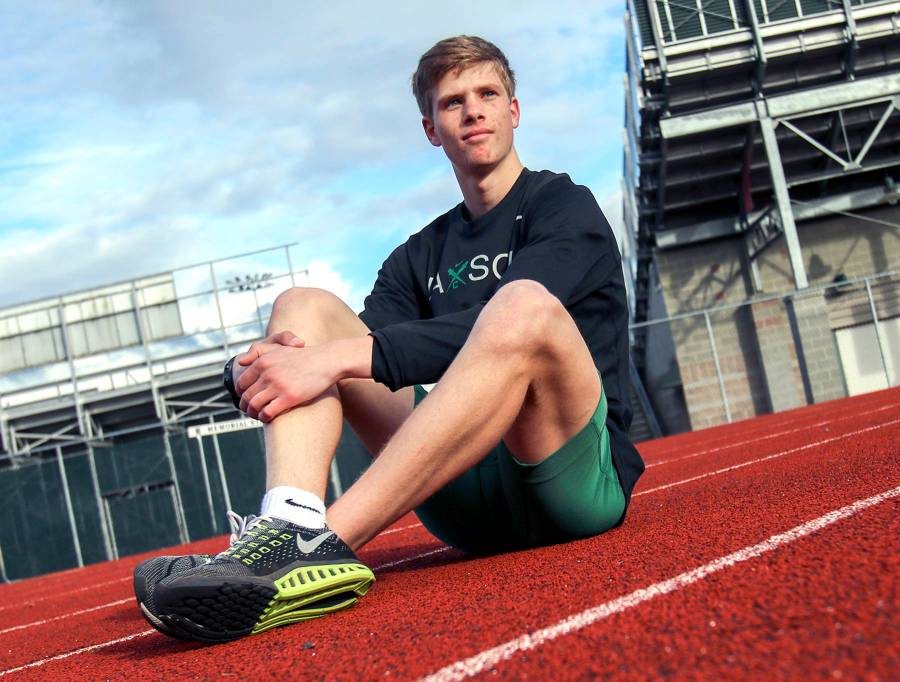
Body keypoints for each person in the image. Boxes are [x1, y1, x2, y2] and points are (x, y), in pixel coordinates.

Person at [133, 35, 644, 643]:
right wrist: (252, 369)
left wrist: (331, 361)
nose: (473, 111)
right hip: (463, 498)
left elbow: (493, 327)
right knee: (302, 307)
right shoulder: (418, 254)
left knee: (522, 306)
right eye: (453, 102)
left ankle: (319, 544)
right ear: (431, 129)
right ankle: (289, 518)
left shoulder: (565, 207)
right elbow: (368, 360)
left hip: (570, 482)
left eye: (487, 94)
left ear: (514, 110)